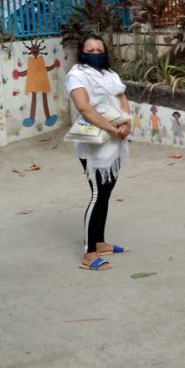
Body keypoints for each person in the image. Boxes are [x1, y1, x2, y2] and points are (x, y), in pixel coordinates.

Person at [66, 34, 131, 271]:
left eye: (99, 50)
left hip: (115, 139)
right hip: (94, 141)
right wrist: (112, 128)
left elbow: (123, 99)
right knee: (97, 193)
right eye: (90, 50)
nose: (96, 54)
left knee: (106, 193)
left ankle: (100, 242)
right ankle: (89, 253)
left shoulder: (110, 74)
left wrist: (127, 123)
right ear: (82, 52)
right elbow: (84, 107)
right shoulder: (77, 75)